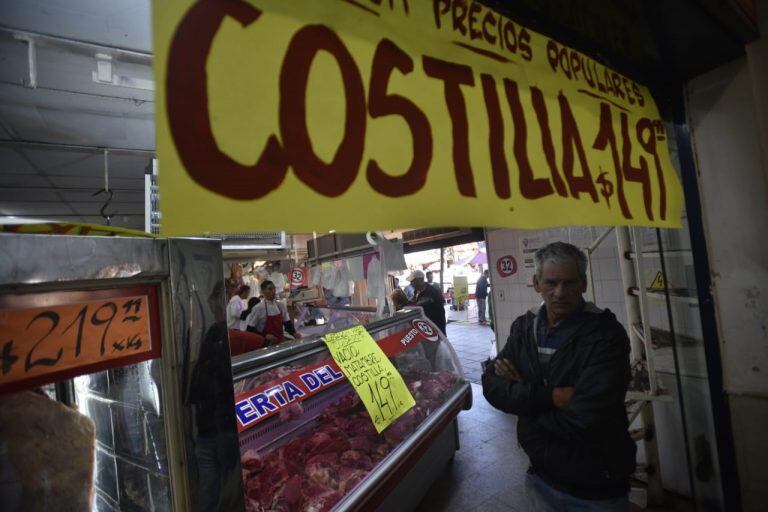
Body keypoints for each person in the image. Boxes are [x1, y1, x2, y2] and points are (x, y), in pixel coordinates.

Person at [482, 242, 635, 511]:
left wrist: (523, 400)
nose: (560, 293)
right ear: (536, 282)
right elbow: (492, 386)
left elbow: (587, 418)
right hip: (540, 476)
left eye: (570, 283)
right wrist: (550, 396)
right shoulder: (524, 327)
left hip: (596, 485)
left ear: (584, 283)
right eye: (551, 283)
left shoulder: (606, 335)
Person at [245, 280, 300, 345]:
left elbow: (287, 323)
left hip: (280, 342)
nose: (273, 291)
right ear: (263, 291)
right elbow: (250, 329)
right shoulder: (258, 308)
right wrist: (265, 335)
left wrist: (294, 333)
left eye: (274, 288)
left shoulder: (280, 305)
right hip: (265, 345)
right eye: (270, 289)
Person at [407, 269, 447, 335]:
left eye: (413, 281)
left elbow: (441, 302)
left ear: (420, 280)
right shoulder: (416, 291)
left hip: (436, 324)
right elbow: (414, 303)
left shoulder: (432, 291)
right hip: (425, 325)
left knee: (438, 342)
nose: (411, 284)